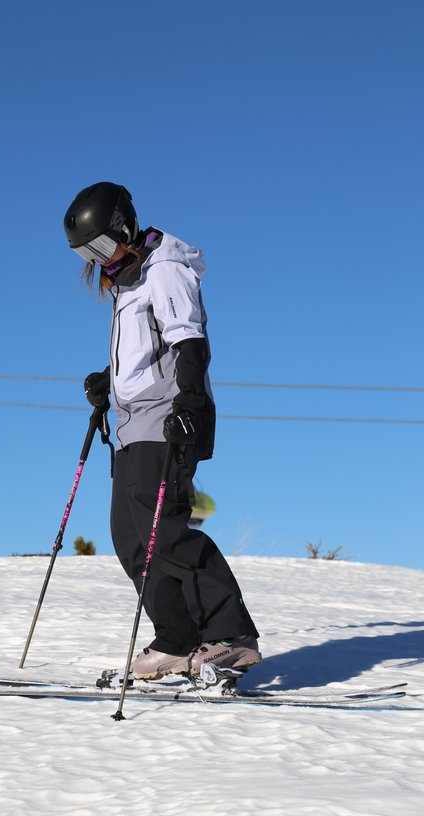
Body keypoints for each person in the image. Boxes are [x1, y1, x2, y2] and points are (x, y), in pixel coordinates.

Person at [63, 182, 261, 680]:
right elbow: (144, 352)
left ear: (124, 227)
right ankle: (176, 639)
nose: (98, 258)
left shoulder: (165, 267)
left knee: (165, 532)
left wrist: (190, 400)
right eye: (87, 253)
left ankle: (231, 636)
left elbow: (187, 341)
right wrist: (109, 380)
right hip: (133, 424)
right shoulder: (128, 281)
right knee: (130, 538)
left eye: (101, 245)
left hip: (169, 417)